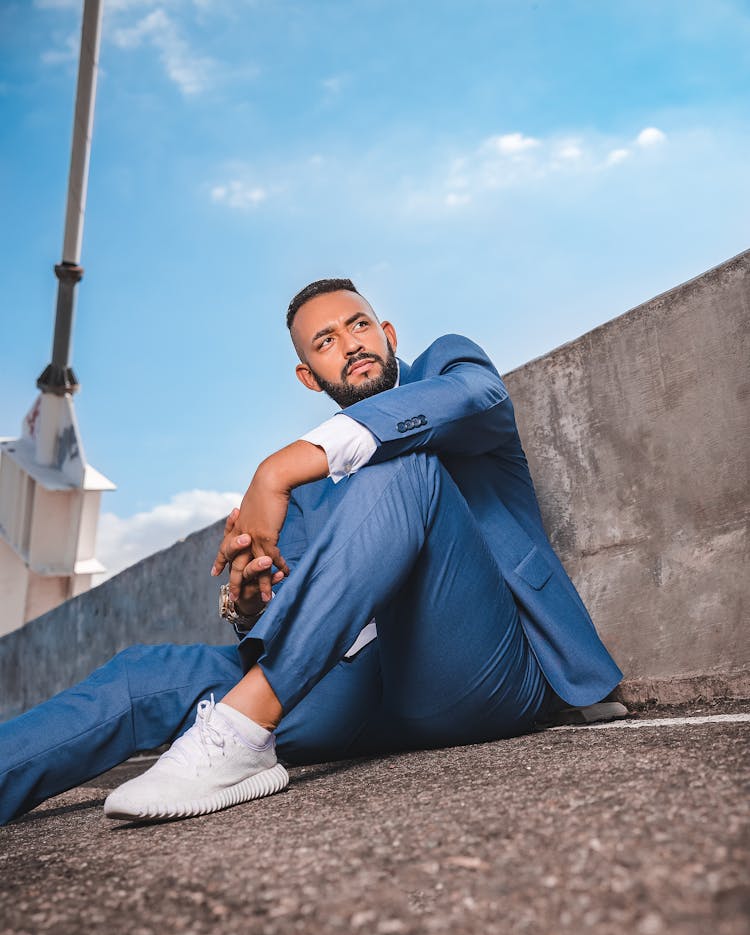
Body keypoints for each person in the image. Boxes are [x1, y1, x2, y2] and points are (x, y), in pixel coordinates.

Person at [0, 278, 625, 825]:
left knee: (401, 467)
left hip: (471, 673)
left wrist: (276, 468)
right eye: (324, 341)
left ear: (387, 332)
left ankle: (242, 730)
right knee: (143, 675)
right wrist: (249, 604)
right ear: (309, 376)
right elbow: (295, 607)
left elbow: (475, 398)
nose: (350, 344)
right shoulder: (306, 495)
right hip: (345, 698)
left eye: (358, 326)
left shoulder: (447, 369)